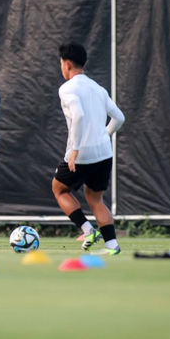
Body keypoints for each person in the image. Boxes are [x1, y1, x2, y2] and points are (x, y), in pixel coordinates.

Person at [52, 42, 125, 255]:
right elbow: (119, 118)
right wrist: (104, 135)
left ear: (66, 64)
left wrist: (74, 150)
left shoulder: (67, 88)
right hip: (104, 153)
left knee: (59, 189)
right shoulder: (98, 88)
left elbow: (79, 115)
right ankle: (112, 245)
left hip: (81, 154)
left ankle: (87, 229)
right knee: (95, 198)